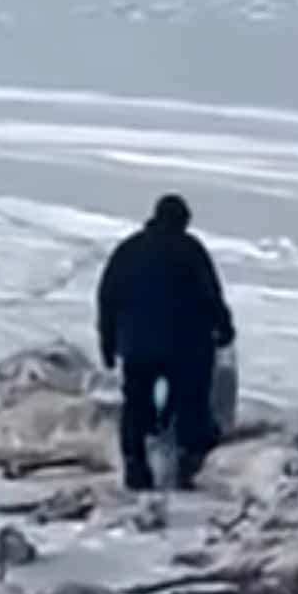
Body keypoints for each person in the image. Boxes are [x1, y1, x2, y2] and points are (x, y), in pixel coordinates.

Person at [96, 193, 235, 491]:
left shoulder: (128, 251)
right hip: (187, 345)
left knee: (136, 403)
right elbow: (210, 295)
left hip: (137, 345)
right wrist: (224, 329)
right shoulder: (190, 249)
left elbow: (107, 299)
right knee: (190, 402)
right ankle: (187, 464)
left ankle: (135, 466)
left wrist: (107, 344)